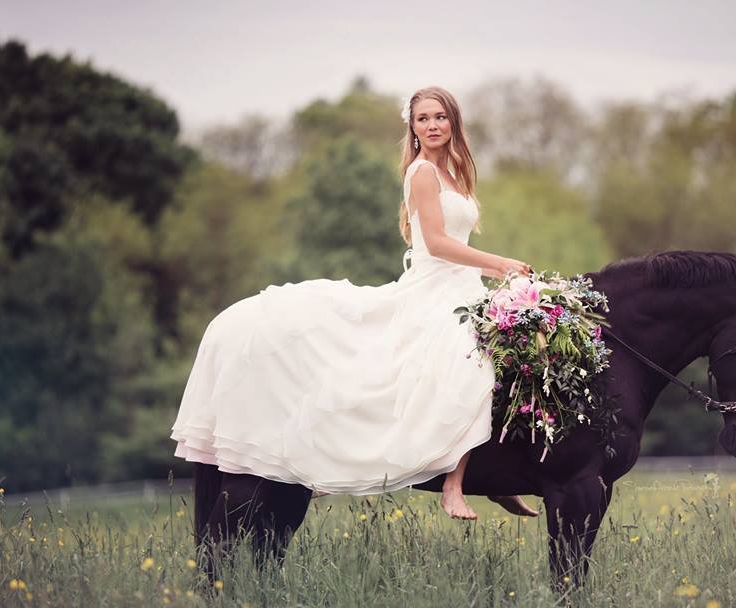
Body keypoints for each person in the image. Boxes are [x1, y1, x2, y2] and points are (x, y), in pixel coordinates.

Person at [170, 86, 537, 520]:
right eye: (422, 119)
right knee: (467, 361)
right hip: (435, 285)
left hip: (463, 286)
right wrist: (500, 264)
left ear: (453, 121)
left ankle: (491, 479)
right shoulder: (422, 173)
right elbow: (436, 244)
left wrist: (487, 275)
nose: (432, 126)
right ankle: (453, 485)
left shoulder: (455, 170)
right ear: (413, 127)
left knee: (509, 356)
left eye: (439, 117)